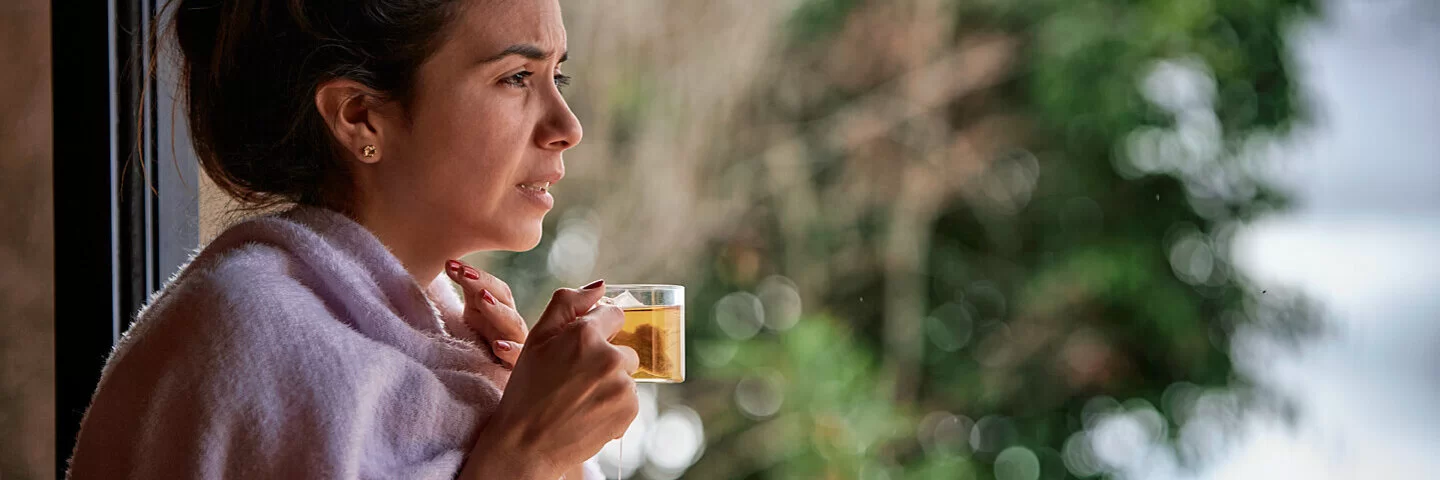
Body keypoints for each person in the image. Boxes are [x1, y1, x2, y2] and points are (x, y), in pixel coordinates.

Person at [65, 0, 639, 478]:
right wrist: (527, 454)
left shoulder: (453, 349)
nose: (568, 127)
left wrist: (524, 405)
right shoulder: (244, 343)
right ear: (360, 116)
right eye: (517, 77)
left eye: (556, 76)